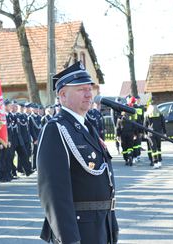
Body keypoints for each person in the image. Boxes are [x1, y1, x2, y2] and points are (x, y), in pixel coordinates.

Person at [37, 61, 118, 244]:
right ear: (63, 95)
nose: (89, 94)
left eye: (90, 88)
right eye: (81, 89)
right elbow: (53, 192)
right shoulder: (56, 129)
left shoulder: (86, 127)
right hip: (80, 230)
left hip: (100, 226)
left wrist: (111, 225)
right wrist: (68, 239)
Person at [144, 104, 166, 169]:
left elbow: (145, 125)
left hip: (151, 134)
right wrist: (164, 133)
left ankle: (155, 162)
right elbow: (163, 124)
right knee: (159, 148)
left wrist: (145, 134)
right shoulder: (160, 115)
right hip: (159, 133)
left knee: (153, 149)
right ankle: (159, 161)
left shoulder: (148, 115)